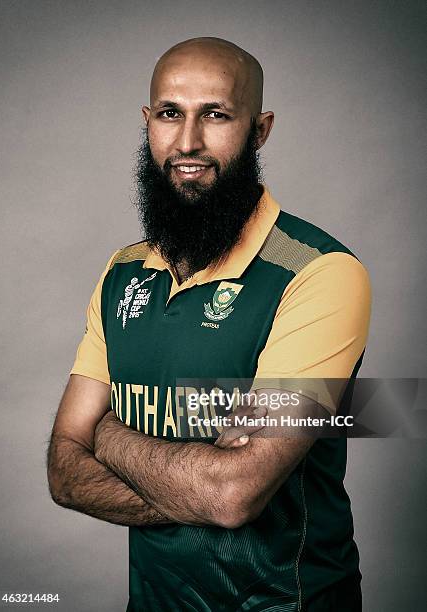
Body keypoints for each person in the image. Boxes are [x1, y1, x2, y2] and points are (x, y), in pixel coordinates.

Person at [47, 37, 371, 611]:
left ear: (260, 128)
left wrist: (105, 433)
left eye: (216, 114)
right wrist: (203, 477)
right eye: (171, 113)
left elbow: (231, 496)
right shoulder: (123, 273)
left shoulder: (320, 275)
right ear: (148, 122)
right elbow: (64, 474)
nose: (188, 142)